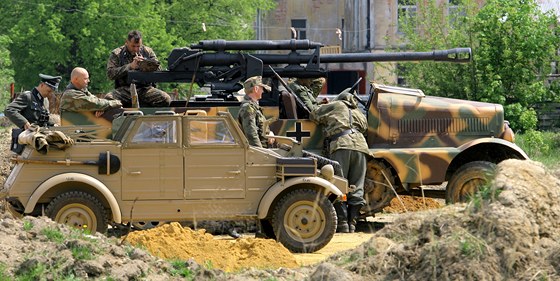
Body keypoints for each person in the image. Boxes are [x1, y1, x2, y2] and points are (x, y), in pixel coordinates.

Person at [310, 91, 369, 233]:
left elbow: (314, 114)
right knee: (357, 186)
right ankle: (353, 223)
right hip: (361, 147)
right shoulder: (359, 112)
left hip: (341, 145)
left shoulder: (335, 105)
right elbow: (365, 128)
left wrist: (322, 105)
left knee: (338, 183)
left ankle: (342, 224)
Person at [105, 30, 171, 107]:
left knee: (166, 99)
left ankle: (149, 116)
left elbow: (159, 70)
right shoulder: (117, 53)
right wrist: (130, 67)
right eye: (133, 46)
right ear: (126, 42)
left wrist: (147, 64)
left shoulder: (148, 52)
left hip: (145, 89)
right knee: (108, 99)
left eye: (138, 46)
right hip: (125, 90)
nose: (136, 49)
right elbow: (110, 74)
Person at [237, 76, 275, 148]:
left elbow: (259, 127)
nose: (263, 91)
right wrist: (260, 153)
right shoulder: (248, 108)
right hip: (258, 152)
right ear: (256, 89)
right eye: (261, 89)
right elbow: (251, 135)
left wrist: (269, 133)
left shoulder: (253, 107)